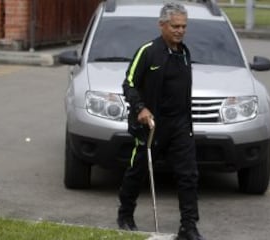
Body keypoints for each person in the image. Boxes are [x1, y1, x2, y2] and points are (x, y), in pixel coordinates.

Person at [117, 2, 206, 240]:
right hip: (152, 126)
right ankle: (125, 215)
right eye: (175, 26)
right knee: (137, 172)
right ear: (162, 25)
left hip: (180, 126)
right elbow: (129, 84)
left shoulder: (184, 53)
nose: (180, 31)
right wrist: (141, 108)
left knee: (189, 175)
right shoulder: (148, 51)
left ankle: (188, 227)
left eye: (184, 26)